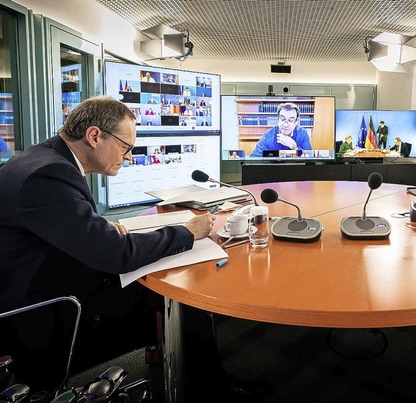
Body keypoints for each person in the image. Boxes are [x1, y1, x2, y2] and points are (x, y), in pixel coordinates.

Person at [0, 96, 270, 400]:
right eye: (126, 147)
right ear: (94, 136)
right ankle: (209, 389)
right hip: (50, 313)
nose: (128, 157)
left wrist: (95, 229)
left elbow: (64, 225)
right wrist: (185, 232)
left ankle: (179, 366)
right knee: (180, 293)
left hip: (46, 279)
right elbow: (117, 254)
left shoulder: (43, 158)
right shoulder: (48, 176)